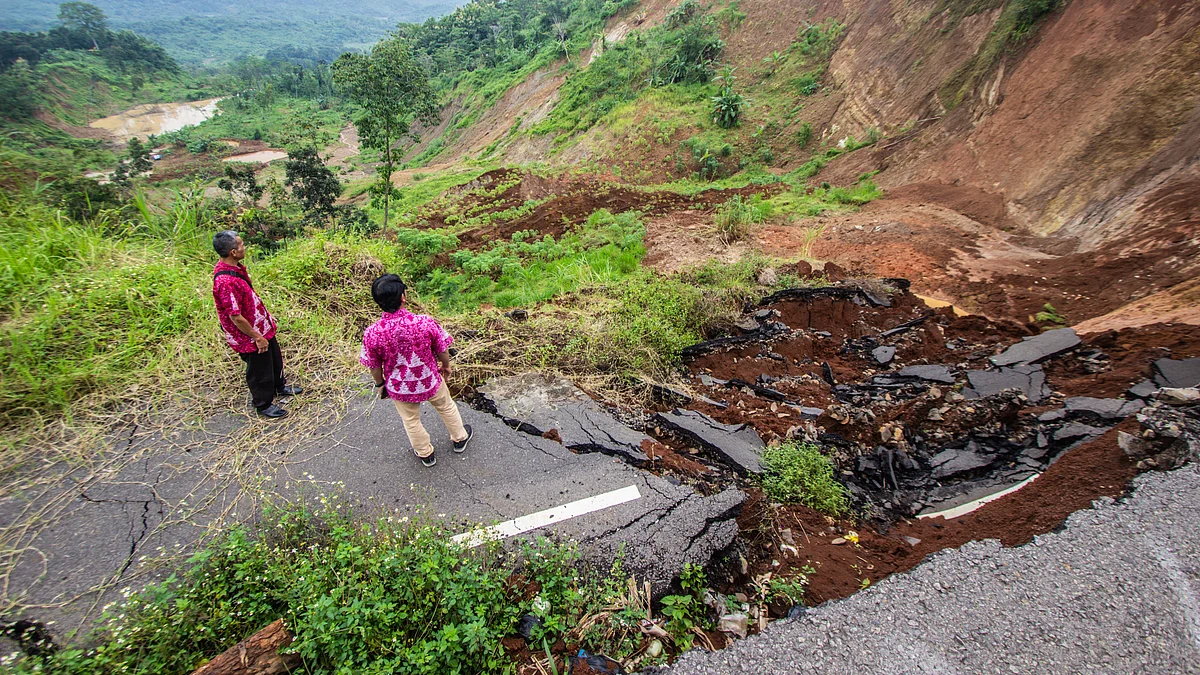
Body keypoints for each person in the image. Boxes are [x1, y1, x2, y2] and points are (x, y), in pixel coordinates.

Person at [360, 274, 472, 467]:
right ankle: (460, 438)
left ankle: (425, 454)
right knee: (446, 406)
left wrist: (380, 384)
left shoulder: (373, 333)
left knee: (411, 420)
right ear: (403, 297)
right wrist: (446, 366)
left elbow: (374, 365)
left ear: (378, 302)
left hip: (399, 387)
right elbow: (442, 348)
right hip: (430, 379)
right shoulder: (424, 322)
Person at [211, 230, 302, 419]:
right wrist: (257, 337)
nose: (244, 247)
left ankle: (279, 386)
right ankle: (263, 403)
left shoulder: (235, 269)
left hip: (260, 325)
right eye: (241, 244)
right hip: (249, 334)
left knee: (274, 358)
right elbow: (235, 317)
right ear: (233, 252)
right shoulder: (225, 281)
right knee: (259, 369)